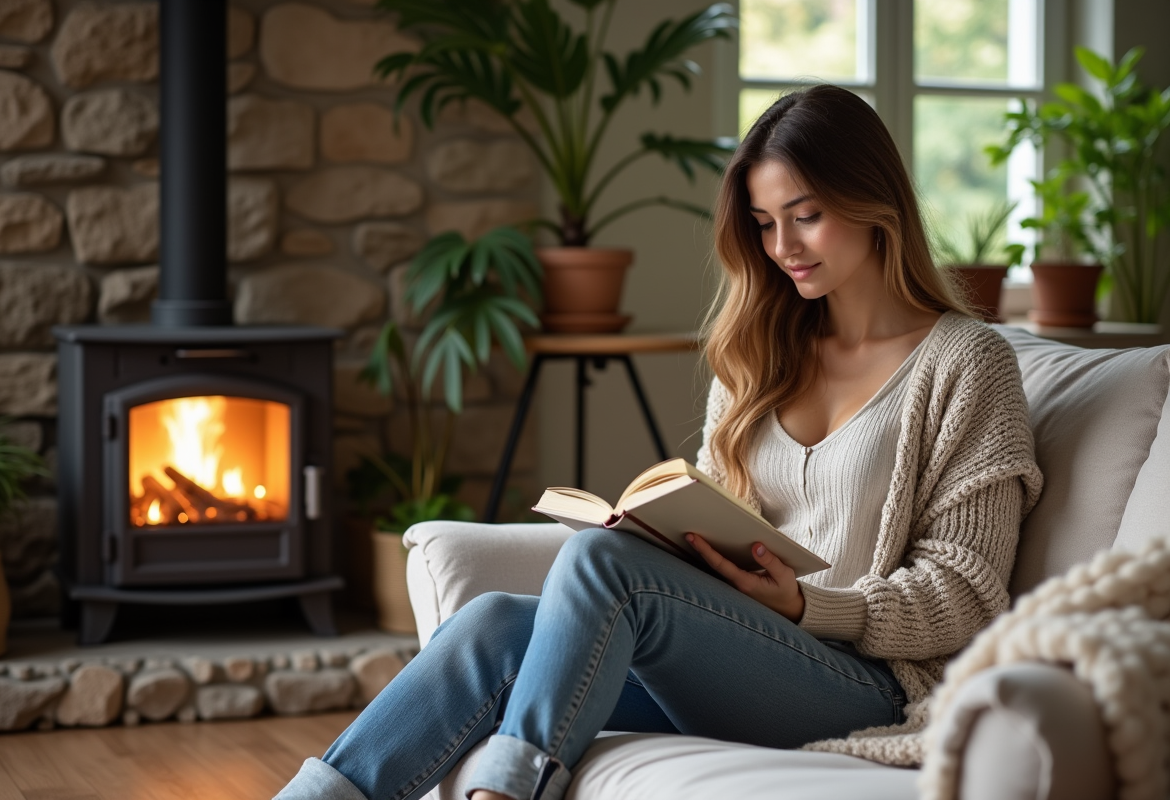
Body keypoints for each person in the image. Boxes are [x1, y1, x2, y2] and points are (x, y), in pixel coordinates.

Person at [273, 84, 1043, 800]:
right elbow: (717, 520)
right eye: (764, 223)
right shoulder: (759, 354)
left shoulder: (967, 363)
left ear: (875, 202)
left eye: (805, 215)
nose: (782, 246)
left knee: (601, 564)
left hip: (868, 681)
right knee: (493, 627)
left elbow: (967, 598)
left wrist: (808, 603)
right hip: (747, 654)